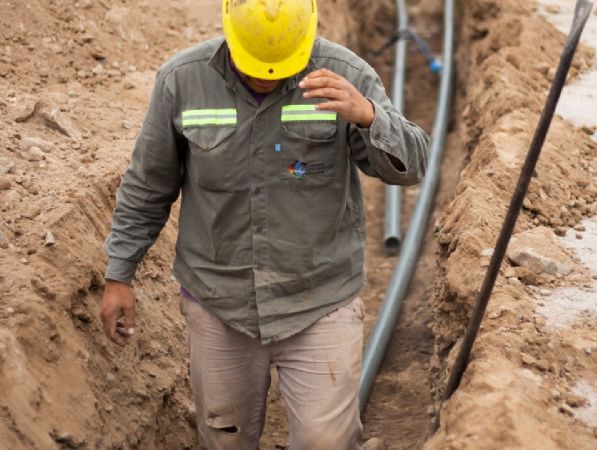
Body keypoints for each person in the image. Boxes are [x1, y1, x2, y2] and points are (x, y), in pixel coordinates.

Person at [99, 0, 430, 447]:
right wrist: (119, 273)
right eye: (256, 68)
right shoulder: (182, 81)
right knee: (225, 438)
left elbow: (413, 167)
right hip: (220, 303)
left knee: (326, 442)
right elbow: (147, 185)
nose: (267, 78)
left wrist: (370, 116)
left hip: (319, 300)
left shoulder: (342, 73)